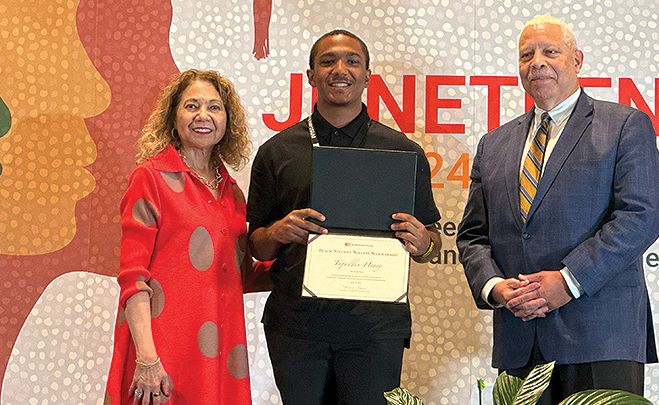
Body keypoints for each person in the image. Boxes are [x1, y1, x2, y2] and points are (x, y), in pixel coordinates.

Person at [456, 15, 659, 403]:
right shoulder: (494, 143)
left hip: (600, 337)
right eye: (526, 55)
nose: (537, 61)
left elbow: (641, 216)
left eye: (550, 51)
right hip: (520, 339)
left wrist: (568, 280)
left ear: (577, 60)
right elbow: (472, 236)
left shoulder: (624, 125)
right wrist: (496, 288)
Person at [247, 29, 442, 405]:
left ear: (368, 76)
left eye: (352, 61)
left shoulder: (403, 153)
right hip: (297, 328)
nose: (341, 69)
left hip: (375, 330)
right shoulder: (276, 152)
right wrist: (279, 230)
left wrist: (423, 242)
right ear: (310, 75)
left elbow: (431, 244)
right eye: (328, 61)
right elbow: (257, 244)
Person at [106, 69, 258, 405]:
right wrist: (147, 359)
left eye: (214, 107)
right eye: (192, 106)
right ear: (173, 118)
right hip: (163, 354)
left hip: (221, 355)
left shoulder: (233, 192)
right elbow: (133, 279)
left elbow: (236, 274)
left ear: (227, 122)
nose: (203, 116)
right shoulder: (150, 178)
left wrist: (306, 260)